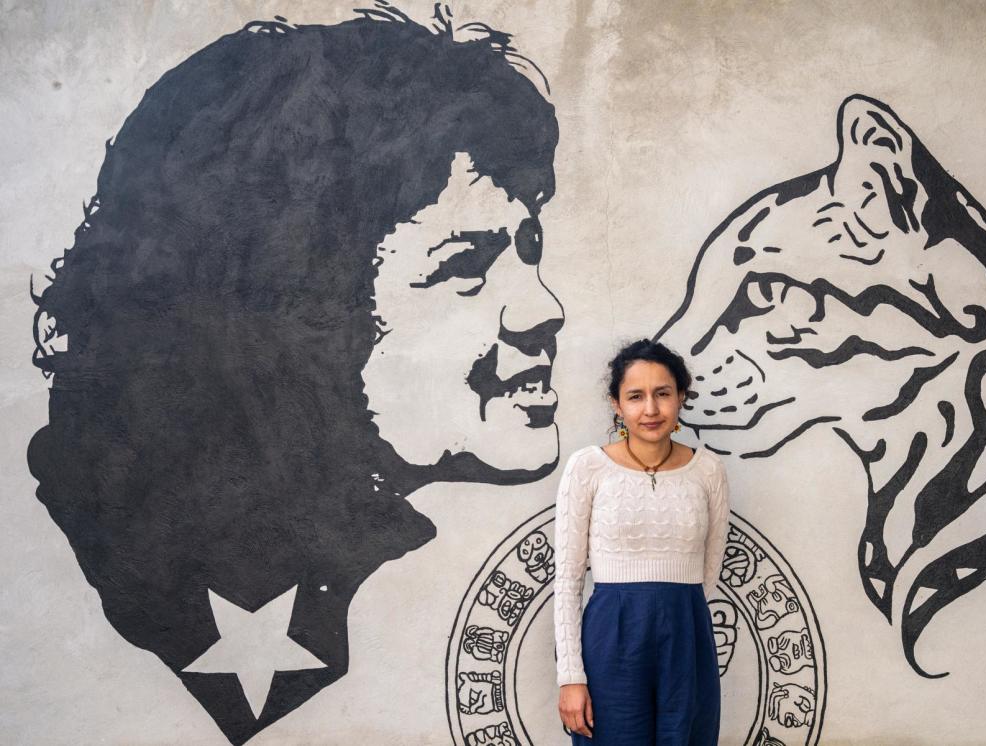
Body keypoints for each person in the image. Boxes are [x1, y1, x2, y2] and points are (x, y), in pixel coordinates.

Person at [27, 7, 561, 742]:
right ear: (297, 312)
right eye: (465, 265)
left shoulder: (370, 557)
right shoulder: (150, 556)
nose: (545, 309)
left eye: (529, 249)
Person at [554, 339, 730, 745]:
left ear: (681, 397)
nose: (650, 409)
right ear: (617, 404)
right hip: (611, 639)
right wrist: (570, 677)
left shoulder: (708, 471)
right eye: (635, 396)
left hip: (687, 638)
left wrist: (674, 619)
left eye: (662, 394)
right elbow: (566, 582)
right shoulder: (588, 468)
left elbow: (709, 573)